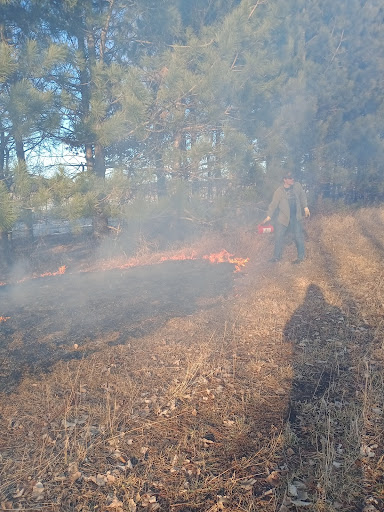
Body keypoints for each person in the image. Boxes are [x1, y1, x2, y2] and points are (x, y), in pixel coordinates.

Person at [262, 172, 310, 263]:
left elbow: (302, 196)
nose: (292, 179)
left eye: (293, 178)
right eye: (290, 178)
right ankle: (276, 257)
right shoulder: (279, 191)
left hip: (296, 217)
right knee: (279, 237)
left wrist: (305, 207)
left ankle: (301, 257)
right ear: (285, 180)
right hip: (283, 218)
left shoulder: (297, 186)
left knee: (298, 237)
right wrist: (269, 216)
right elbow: (273, 204)